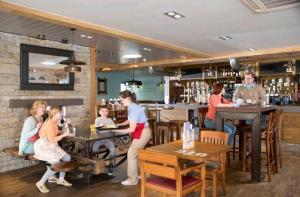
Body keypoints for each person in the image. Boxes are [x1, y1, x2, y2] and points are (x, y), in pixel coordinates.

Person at [114, 90, 151, 186]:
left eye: (122, 100)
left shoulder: (133, 108)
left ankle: (132, 179)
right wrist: (119, 125)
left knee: (131, 154)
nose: (121, 102)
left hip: (142, 132)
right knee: (138, 154)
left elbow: (131, 128)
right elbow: (130, 120)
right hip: (143, 131)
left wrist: (117, 131)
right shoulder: (132, 107)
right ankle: (144, 174)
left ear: (128, 99)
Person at [34, 107, 72, 193]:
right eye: (60, 113)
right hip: (44, 146)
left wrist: (61, 132)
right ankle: (40, 183)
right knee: (56, 164)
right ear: (54, 114)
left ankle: (61, 179)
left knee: (67, 158)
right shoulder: (49, 123)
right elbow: (52, 139)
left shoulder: (54, 122)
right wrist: (64, 135)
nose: (61, 115)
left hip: (51, 145)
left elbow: (53, 132)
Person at [93, 106, 116, 174]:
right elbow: (97, 128)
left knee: (112, 148)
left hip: (107, 139)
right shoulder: (98, 119)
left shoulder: (110, 120)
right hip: (99, 139)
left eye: (106, 111)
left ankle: (110, 164)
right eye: (102, 111)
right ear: (99, 112)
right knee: (94, 149)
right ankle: (94, 164)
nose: (104, 113)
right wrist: (104, 126)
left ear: (108, 112)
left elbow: (113, 127)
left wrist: (109, 127)